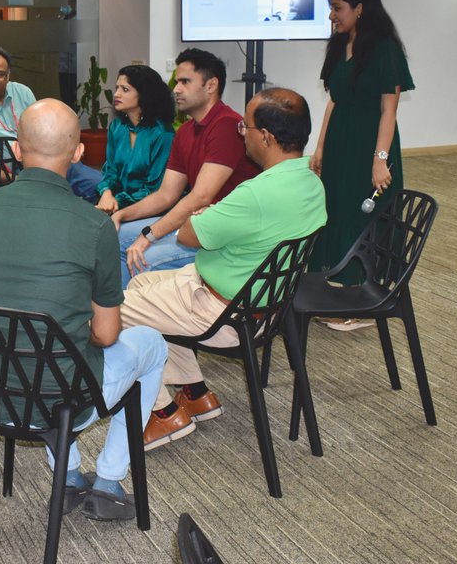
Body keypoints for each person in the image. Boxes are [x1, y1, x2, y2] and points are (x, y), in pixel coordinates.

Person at [0, 98, 167, 521]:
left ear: (17, 150)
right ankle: (108, 479)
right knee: (151, 345)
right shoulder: (93, 226)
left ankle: (68, 475)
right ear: (78, 154)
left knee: (48, 344)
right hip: (58, 399)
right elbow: (106, 336)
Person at [119, 88, 327, 450]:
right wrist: (210, 220)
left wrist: (206, 218)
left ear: (266, 137)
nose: (241, 132)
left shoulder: (255, 194)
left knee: (114, 312)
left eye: (245, 127)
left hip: (225, 312)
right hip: (262, 303)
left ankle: (162, 415)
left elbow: (187, 235)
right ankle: (194, 391)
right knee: (142, 286)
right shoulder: (310, 181)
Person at [309, 0, 414, 330]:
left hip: (371, 145)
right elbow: (334, 102)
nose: (332, 16)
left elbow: (389, 111)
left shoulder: (385, 49)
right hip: (341, 142)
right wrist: (321, 146)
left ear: (360, 8)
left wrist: (379, 159)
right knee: (336, 212)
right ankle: (335, 290)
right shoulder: (339, 46)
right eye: (331, 7)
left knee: (363, 217)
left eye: (337, 8)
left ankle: (362, 299)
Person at [112, 48, 259, 288]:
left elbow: (200, 197)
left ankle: (135, 316)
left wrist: (148, 235)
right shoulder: (186, 131)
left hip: (223, 238)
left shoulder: (227, 125)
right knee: (117, 235)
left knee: (142, 257)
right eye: (177, 81)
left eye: (185, 82)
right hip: (195, 224)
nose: (176, 89)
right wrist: (121, 214)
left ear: (211, 85)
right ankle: (122, 313)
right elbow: (166, 194)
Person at [0, 46, 101, 200]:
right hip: (14, 176)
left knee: (97, 184)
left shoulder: (23, 92)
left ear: (8, 75)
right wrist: (15, 180)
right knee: (48, 202)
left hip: (50, 160)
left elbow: (42, 127)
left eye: (1, 74)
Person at [96, 64, 176, 216]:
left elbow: (154, 189)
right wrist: (106, 193)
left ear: (144, 94)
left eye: (125, 89)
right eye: (117, 88)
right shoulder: (117, 127)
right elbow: (110, 172)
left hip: (150, 209)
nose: (116, 95)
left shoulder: (163, 134)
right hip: (115, 204)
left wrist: (115, 202)